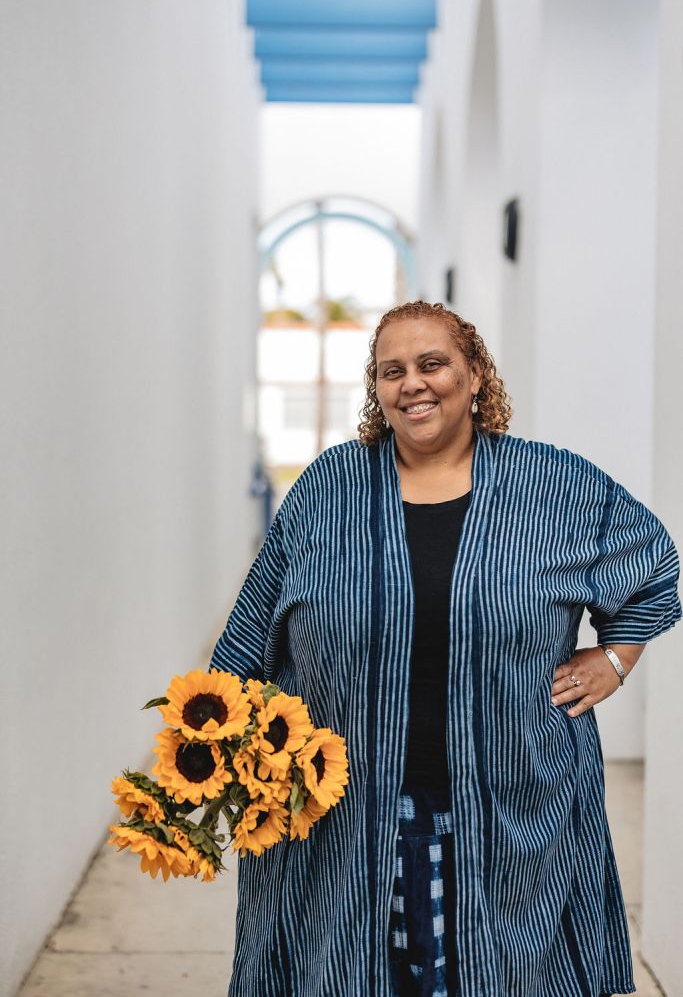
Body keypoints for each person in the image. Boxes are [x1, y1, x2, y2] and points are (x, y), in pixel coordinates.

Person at [209, 300, 681, 997]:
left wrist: (613, 661)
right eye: (390, 370)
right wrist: (213, 747)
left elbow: (652, 570)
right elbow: (250, 633)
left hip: (510, 797)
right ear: (376, 390)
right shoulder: (327, 490)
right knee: (348, 971)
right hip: (343, 807)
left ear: (475, 377)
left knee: (498, 974)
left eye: (432, 364)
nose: (412, 384)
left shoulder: (551, 488)